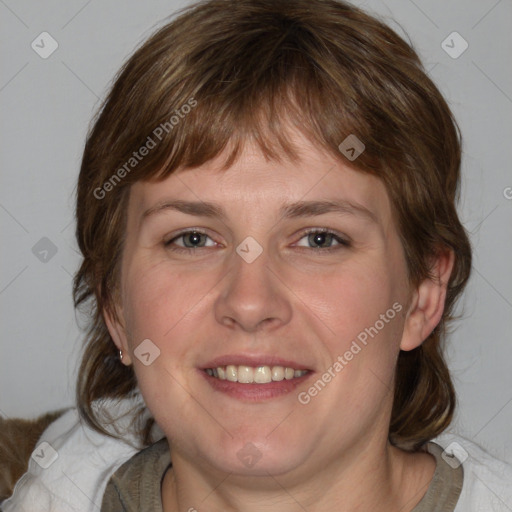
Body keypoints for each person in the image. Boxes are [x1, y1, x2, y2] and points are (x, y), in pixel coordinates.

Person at [3, 0, 511, 511]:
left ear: (422, 296)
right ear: (115, 305)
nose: (249, 303)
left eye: (319, 239)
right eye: (193, 239)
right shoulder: (52, 489)